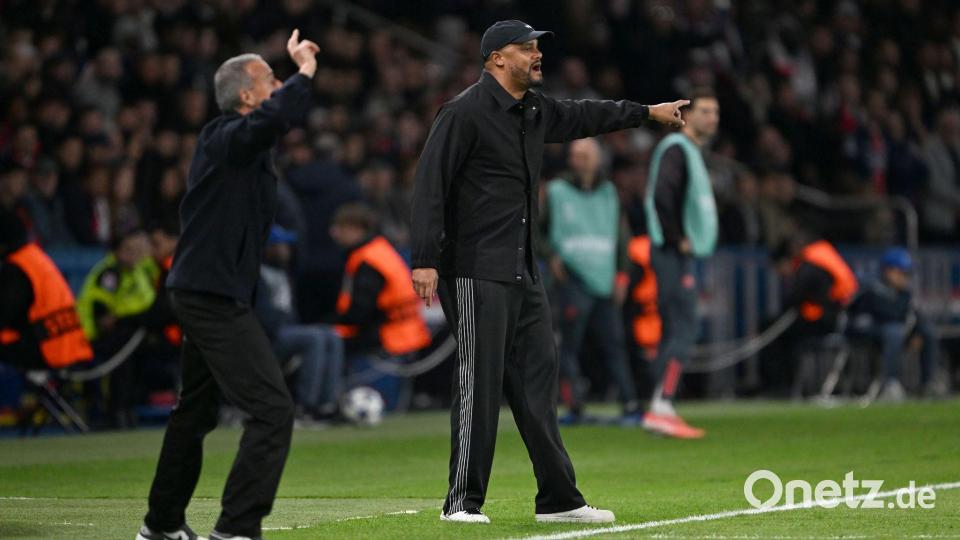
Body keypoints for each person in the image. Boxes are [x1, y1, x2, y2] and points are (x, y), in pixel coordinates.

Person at [410, 19, 689, 524]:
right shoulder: (463, 112)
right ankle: (461, 502)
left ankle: (559, 500)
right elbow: (430, 184)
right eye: (525, 48)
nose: (537, 55)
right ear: (496, 58)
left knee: (538, 385)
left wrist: (647, 112)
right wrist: (425, 259)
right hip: (474, 269)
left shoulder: (535, 110)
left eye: (537, 47)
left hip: (523, 269)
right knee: (479, 382)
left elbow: (587, 115)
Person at [137, 30, 319, 540]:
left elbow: (272, 123)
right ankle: (236, 529)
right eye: (270, 79)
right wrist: (305, 73)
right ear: (245, 95)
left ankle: (160, 526)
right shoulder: (224, 137)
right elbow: (274, 118)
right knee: (272, 410)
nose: (278, 85)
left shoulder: (243, 145)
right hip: (210, 296)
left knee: (194, 413)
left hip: (211, 290)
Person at [539, 137, 641, 425]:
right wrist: (551, 256)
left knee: (614, 345)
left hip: (605, 280)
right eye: (575, 154)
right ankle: (574, 406)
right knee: (568, 346)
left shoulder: (609, 192)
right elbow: (535, 230)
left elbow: (622, 237)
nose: (578, 160)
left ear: (598, 159)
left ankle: (630, 404)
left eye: (585, 155)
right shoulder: (556, 191)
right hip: (572, 278)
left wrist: (623, 274)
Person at [642, 88, 720, 439]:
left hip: (677, 254)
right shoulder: (676, 148)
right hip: (672, 253)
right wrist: (676, 238)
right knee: (684, 327)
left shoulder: (689, 152)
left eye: (715, 112)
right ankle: (662, 404)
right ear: (687, 115)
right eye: (705, 111)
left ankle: (659, 407)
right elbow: (662, 194)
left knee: (677, 328)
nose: (712, 118)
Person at [255, 224, 344, 421]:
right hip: (266, 337)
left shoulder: (283, 272)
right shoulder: (257, 274)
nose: (286, 250)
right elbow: (263, 316)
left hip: (287, 330)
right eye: (280, 246)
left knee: (332, 335)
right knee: (314, 338)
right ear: (267, 248)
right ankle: (306, 406)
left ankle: (326, 404)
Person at [76, 226, 158, 428]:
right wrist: (132, 320)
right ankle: (116, 411)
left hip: (133, 332)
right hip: (94, 338)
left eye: (136, 250)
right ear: (116, 252)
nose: (134, 254)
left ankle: (130, 406)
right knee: (124, 350)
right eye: (128, 250)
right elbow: (102, 319)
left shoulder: (140, 270)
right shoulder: (109, 274)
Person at [331, 203, 431, 359]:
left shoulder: (367, 261)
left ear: (357, 229)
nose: (334, 233)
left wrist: (330, 324)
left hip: (388, 339)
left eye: (341, 228)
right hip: (408, 333)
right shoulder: (379, 250)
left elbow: (361, 310)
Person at [766, 234, 859, 395]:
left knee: (775, 335)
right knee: (779, 331)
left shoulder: (809, 267)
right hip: (831, 318)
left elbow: (794, 298)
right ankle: (790, 385)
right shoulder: (820, 260)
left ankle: (782, 386)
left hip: (822, 321)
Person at [0, 209, 92, 371]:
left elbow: (5, 312)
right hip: (66, 345)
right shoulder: (35, 257)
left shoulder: (16, 269)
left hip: (42, 351)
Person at [848, 247, 941, 400]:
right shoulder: (871, 289)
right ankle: (891, 384)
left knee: (927, 331)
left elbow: (915, 316)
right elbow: (883, 315)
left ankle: (928, 383)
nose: (905, 277)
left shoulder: (904, 294)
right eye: (902, 272)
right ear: (888, 271)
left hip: (893, 335)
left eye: (907, 273)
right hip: (866, 333)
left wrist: (916, 332)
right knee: (894, 331)